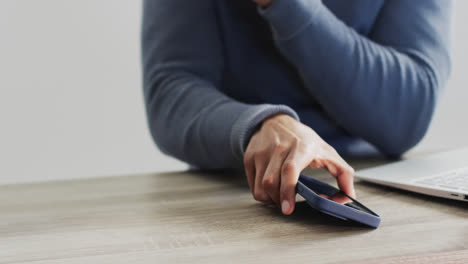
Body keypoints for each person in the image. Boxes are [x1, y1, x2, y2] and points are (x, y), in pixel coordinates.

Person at [141, 0, 452, 215]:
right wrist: (261, 125)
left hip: (374, 187)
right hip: (234, 190)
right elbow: (170, 95)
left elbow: (407, 114)